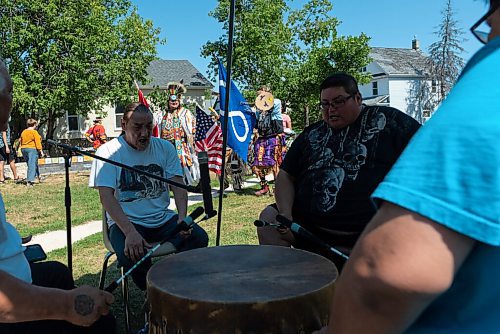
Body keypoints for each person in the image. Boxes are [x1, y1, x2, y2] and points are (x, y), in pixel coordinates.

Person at [316, 2, 500, 333]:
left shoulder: (494, 73)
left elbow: (383, 279)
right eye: (325, 104)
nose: (488, 39)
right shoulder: (314, 134)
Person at [256, 73, 421, 270]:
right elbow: (285, 175)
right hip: (310, 228)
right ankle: (289, 287)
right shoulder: (312, 134)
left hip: (368, 230)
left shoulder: (389, 121)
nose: (331, 109)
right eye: (325, 104)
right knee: (269, 219)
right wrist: (285, 212)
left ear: (357, 98)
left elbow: (429, 153)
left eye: (338, 102)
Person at [0, 57, 115, 333]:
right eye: (9, 90)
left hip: (14, 275)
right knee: (102, 324)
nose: (12, 97)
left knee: (58, 272)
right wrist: (65, 306)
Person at [89, 102, 208, 291]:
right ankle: (154, 294)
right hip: (126, 223)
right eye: (138, 127)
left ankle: (176, 287)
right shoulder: (107, 152)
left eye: (149, 127)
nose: (144, 133)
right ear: (124, 124)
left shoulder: (165, 148)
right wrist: (130, 232)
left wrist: (182, 218)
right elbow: (106, 198)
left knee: (198, 238)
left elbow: (178, 186)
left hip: (162, 219)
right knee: (133, 253)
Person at [159, 81, 200, 186]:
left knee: (184, 163)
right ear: (168, 102)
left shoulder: (184, 112)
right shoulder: (163, 114)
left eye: (176, 101)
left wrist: (192, 139)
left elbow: (191, 127)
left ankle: (188, 182)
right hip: (167, 145)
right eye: (172, 101)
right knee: (168, 164)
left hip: (181, 144)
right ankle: (170, 185)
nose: (174, 103)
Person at [252, 86, 285, 196]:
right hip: (262, 138)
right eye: (259, 96)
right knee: (258, 162)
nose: (260, 98)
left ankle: (278, 188)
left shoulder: (276, 103)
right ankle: (264, 187)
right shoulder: (258, 110)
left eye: (261, 95)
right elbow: (255, 122)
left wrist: (264, 100)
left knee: (274, 163)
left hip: (273, 137)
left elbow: (274, 103)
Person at [20, 118, 44, 186]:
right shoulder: (34, 132)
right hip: (31, 149)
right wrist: (41, 151)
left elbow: (20, 140)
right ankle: (29, 181)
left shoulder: (24, 132)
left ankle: (39, 176)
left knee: (33, 163)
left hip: (24, 149)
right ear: (34, 124)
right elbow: (38, 143)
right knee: (32, 165)